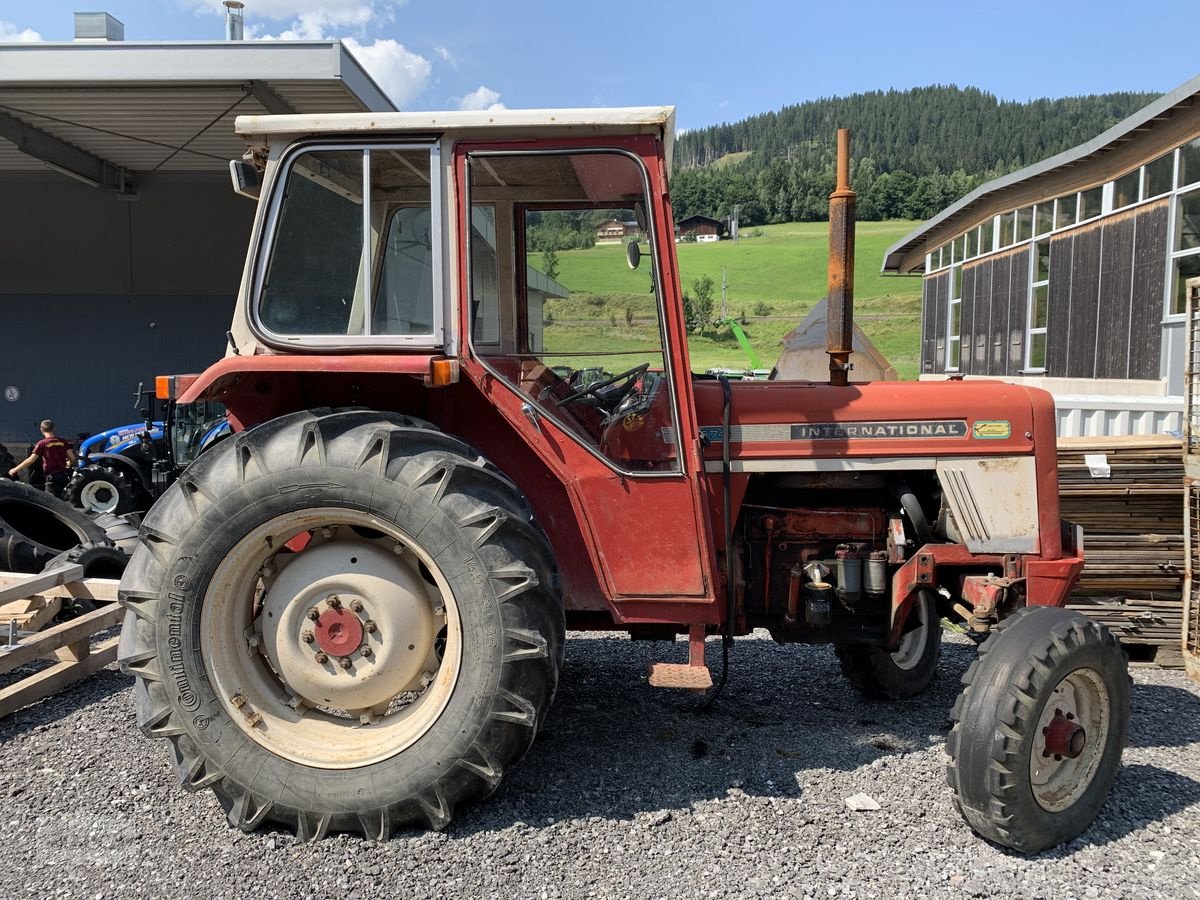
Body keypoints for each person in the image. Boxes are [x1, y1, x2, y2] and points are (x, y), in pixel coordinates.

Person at [8, 419, 76, 499]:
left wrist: (15, 469)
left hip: (51, 477)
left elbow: (31, 460)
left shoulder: (42, 443)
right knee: (63, 498)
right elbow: (72, 458)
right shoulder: (63, 442)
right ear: (54, 429)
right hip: (63, 476)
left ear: (41, 429)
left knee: (51, 500)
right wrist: (69, 464)